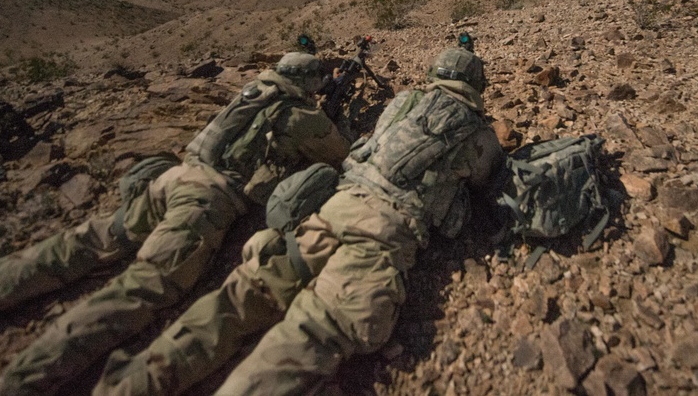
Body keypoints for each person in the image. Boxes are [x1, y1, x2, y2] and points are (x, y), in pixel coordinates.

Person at [0, 53, 350, 396]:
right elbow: (337, 153)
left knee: (78, 246)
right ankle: (20, 384)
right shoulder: (295, 113)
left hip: (172, 177)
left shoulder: (252, 91)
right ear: (309, 81)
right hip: (205, 199)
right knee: (140, 289)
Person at [95, 45, 506, 396]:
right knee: (309, 333)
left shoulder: (404, 102)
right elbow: (485, 178)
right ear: (476, 85)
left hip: (334, 209)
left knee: (241, 297)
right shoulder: (478, 132)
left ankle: (133, 383)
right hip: (382, 236)